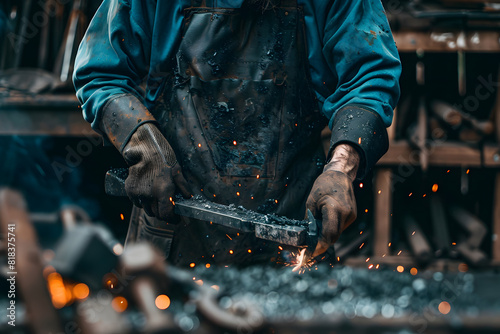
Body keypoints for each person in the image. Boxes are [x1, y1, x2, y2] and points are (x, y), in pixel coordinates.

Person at [73, 0, 401, 266]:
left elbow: (369, 79)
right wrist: (141, 142)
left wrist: (340, 168)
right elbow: (101, 74)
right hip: (172, 238)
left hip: (292, 241)